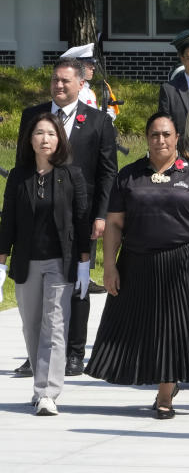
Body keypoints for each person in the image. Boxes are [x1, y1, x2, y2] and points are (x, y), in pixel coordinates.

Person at [85, 112, 189, 418]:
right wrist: (109, 267)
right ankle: (162, 381)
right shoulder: (129, 175)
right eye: (154, 134)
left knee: (174, 330)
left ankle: (165, 395)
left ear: (177, 137)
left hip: (186, 262)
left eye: (166, 134)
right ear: (147, 138)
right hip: (138, 263)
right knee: (146, 330)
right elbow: (113, 225)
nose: (160, 140)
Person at [17, 59, 117, 378]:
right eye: (55, 80)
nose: (59, 86)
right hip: (38, 217)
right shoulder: (32, 117)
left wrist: (101, 215)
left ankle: (74, 352)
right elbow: (21, 168)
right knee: (37, 286)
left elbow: (107, 174)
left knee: (78, 283)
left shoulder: (99, 122)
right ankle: (37, 354)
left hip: (81, 217)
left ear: (80, 85)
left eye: (65, 81)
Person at [1, 114, 89, 415]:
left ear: (59, 139)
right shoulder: (18, 176)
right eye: (39, 133)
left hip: (59, 262)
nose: (45, 138)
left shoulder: (71, 175)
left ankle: (47, 392)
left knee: (55, 326)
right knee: (32, 326)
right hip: (27, 261)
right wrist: (1, 263)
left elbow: (81, 221)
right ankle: (41, 384)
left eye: (51, 133)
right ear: (30, 140)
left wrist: (84, 263)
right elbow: (8, 220)